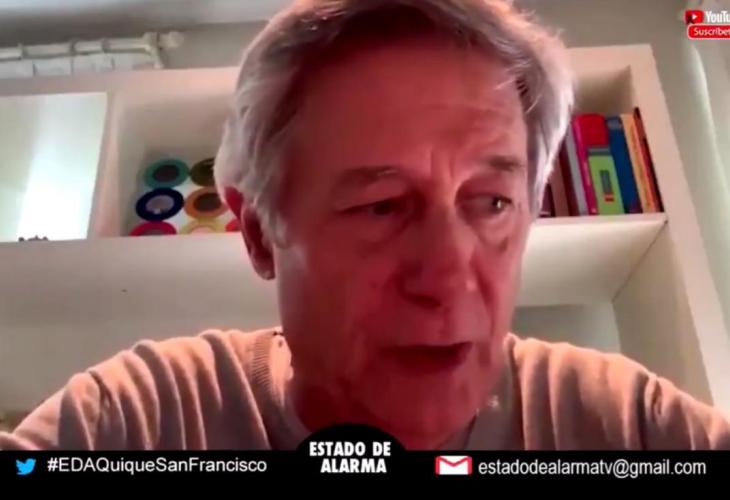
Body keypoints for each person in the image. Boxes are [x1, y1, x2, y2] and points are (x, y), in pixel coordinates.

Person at [2, 0, 729, 451]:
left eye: (491, 202)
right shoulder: (143, 419)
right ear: (258, 233)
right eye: (381, 205)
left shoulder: (620, 421)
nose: (448, 277)